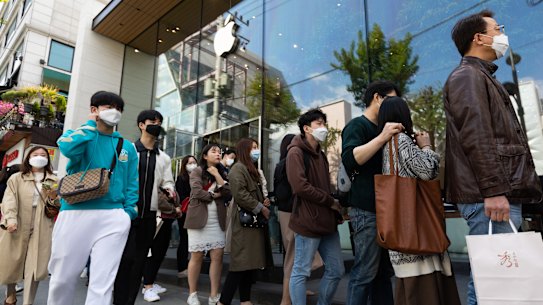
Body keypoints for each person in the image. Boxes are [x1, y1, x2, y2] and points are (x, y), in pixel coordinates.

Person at [445, 10, 542, 305]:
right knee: (494, 283)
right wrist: (494, 191)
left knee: (501, 281)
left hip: (494, 193)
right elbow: (477, 137)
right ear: (479, 38)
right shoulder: (467, 77)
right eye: (497, 29)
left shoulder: (479, 76)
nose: (502, 35)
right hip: (489, 196)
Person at [48, 91, 139, 305]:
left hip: (114, 216)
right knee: (62, 278)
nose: (113, 111)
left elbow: (132, 181)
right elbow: (67, 147)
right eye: (107, 106)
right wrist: (90, 126)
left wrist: (128, 212)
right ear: (94, 110)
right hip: (75, 212)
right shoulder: (80, 135)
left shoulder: (127, 147)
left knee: (103, 282)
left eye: (117, 108)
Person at [378, 97, 461, 305]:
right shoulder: (402, 140)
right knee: (426, 292)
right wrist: (426, 146)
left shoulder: (385, 144)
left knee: (409, 294)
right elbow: (427, 171)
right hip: (416, 230)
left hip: (402, 233)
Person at [341, 80, 402, 305]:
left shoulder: (383, 128)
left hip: (385, 212)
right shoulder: (357, 125)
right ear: (377, 98)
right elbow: (350, 159)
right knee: (364, 274)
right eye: (391, 100)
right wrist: (382, 137)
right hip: (366, 211)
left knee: (383, 275)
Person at [114, 109, 176, 304]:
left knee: (139, 263)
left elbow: (168, 182)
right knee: (124, 261)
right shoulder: (127, 150)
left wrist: (169, 190)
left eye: (159, 121)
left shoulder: (164, 158)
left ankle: (129, 301)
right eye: (152, 121)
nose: (156, 124)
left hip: (149, 216)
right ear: (141, 124)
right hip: (125, 214)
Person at [286, 109, 344, 305]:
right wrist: (329, 202)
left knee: (336, 270)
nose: (323, 128)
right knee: (301, 271)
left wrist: (335, 207)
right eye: (319, 124)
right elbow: (300, 186)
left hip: (327, 221)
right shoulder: (295, 152)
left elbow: (325, 187)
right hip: (308, 221)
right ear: (307, 128)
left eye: (324, 123)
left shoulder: (321, 154)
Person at [218, 138, 273, 305]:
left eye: (257, 147)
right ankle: (223, 302)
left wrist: (264, 201)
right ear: (244, 150)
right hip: (243, 224)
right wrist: (260, 207)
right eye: (253, 148)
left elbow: (252, 193)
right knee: (240, 264)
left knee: (249, 263)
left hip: (253, 223)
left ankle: (245, 300)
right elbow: (240, 194)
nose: (256, 151)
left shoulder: (251, 169)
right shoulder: (238, 169)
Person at [0, 147, 57, 305]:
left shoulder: (53, 179)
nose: (39, 157)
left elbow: (57, 205)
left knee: (35, 264)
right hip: (18, 220)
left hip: (42, 224)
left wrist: (53, 197)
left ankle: (28, 302)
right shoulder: (17, 178)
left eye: (43, 155)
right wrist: (10, 218)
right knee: (13, 260)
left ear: (48, 159)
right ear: (28, 157)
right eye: (35, 154)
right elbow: (9, 199)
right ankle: (10, 295)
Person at [274, 134, 323, 305]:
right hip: (291, 213)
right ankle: (286, 299)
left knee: (296, 256)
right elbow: (291, 191)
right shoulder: (288, 163)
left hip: (288, 213)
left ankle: (296, 289)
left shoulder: (283, 164)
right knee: (294, 258)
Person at [184, 144, 231, 305]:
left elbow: (228, 193)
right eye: (214, 151)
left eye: (219, 151)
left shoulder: (223, 172)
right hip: (198, 217)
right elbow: (197, 192)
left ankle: (214, 295)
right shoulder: (197, 171)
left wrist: (217, 175)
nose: (218, 154)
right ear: (205, 156)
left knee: (217, 257)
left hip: (217, 219)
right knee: (196, 256)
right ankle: (192, 294)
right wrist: (215, 194)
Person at [175, 155, 197, 279]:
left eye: (194, 162)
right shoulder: (181, 178)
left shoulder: (199, 178)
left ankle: (191, 266)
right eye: (190, 163)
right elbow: (181, 196)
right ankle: (182, 267)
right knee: (184, 239)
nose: (193, 165)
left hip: (196, 213)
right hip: (185, 213)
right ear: (184, 165)